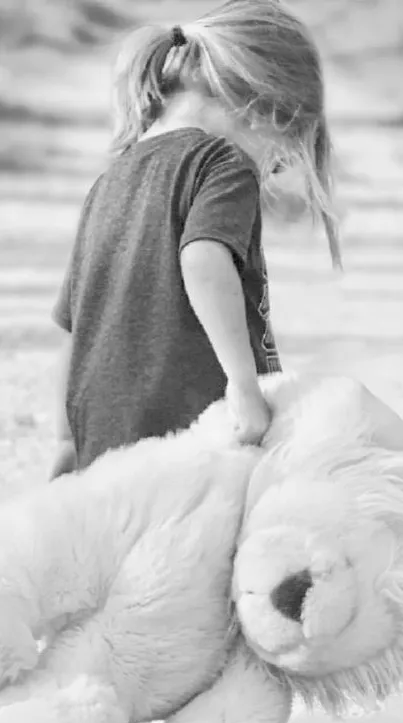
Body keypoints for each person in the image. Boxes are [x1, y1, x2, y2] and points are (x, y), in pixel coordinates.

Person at [50, 0, 341, 479]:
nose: (273, 169)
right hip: (192, 439)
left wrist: (66, 442)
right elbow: (204, 261)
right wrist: (244, 385)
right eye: (282, 155)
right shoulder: (223, 163)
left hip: (105, 446)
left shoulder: (109, 180)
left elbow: (74, 325)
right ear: (263, 105)